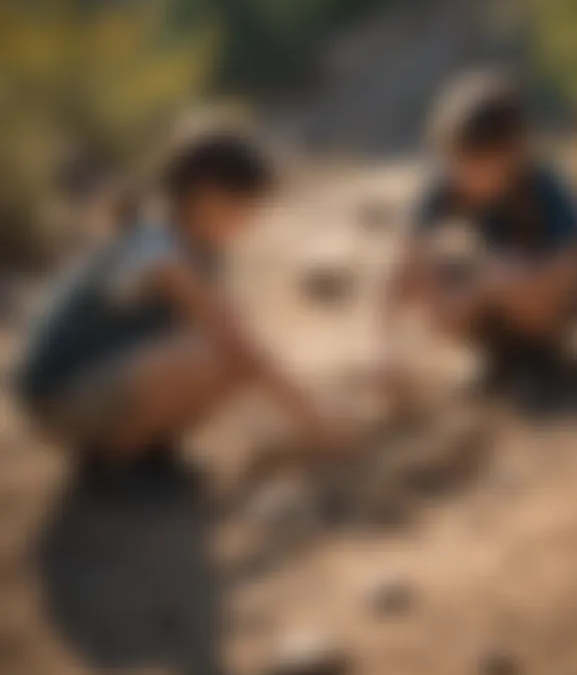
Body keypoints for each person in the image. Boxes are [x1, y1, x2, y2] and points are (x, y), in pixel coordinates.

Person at [15, 131, 341, 463]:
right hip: (59, 399)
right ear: (208, 197)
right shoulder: (158, 249)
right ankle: (117, 457)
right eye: (245, 207)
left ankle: (145, 447)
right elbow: (238, 345)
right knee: (216, 352)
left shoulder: (198, 251)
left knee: (222, 356)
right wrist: (316, 422)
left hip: (94, 385)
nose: (249, 221)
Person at [384, 73, 577, 396]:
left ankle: (542, 352)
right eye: (454, 161)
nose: (462, 174)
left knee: (509, 272)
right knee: (433, 272)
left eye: (475, 163)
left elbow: (573, 271)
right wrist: (387, 350)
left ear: (511, 154)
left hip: (549, 289)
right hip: (494, 283)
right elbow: (405, 265)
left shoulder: (545, 188)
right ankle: (496, 354)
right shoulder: (446, 188)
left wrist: (498, 283)